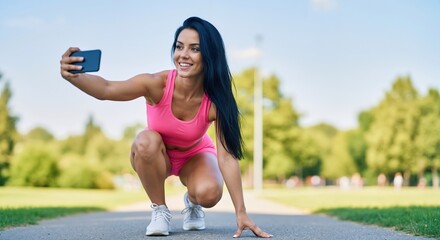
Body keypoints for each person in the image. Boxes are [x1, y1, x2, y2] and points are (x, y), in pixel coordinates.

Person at [59, 16, 272, 238]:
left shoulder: (217, 100)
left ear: (210, 55)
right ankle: (160, 210)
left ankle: (192, 202)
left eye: (195, 49)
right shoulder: (156, 84)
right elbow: (106, 89)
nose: (183, 55)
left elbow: (227, 157)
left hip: (195, 155)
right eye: (179, 47)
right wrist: (74, 76)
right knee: (145, 140)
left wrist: (241, 212)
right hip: (156, 154)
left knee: (209, 193)